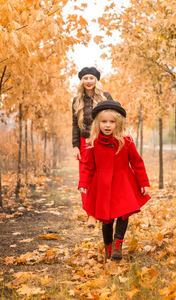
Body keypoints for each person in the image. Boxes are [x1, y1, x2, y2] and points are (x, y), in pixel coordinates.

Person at [78, 100, 150, 261]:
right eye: (104, 122)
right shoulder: (93, 143)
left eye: (112, 122)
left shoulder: (126, 141)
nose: (108, 125)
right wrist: (83, 183)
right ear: (98, 123)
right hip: (102, 185)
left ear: (118, 123)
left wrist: (143, 183)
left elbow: (137, 162)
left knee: (124, 214)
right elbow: (87, 166)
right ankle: (108, 246)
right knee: (107, 218)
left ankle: (118, 243)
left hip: (123, 183)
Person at [72, 67, 113, 228]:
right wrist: (76, 146)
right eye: (85, 78)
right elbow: (75, 125)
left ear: (96, 80)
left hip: (102, 141)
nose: (88, 81)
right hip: (84, 142)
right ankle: (90, 215)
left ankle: (103, 211)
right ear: (82, 81)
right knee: (85, 177)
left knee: (102, 177)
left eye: (91, 78)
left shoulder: (105, 97)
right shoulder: (76, 101)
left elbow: (112, 119)